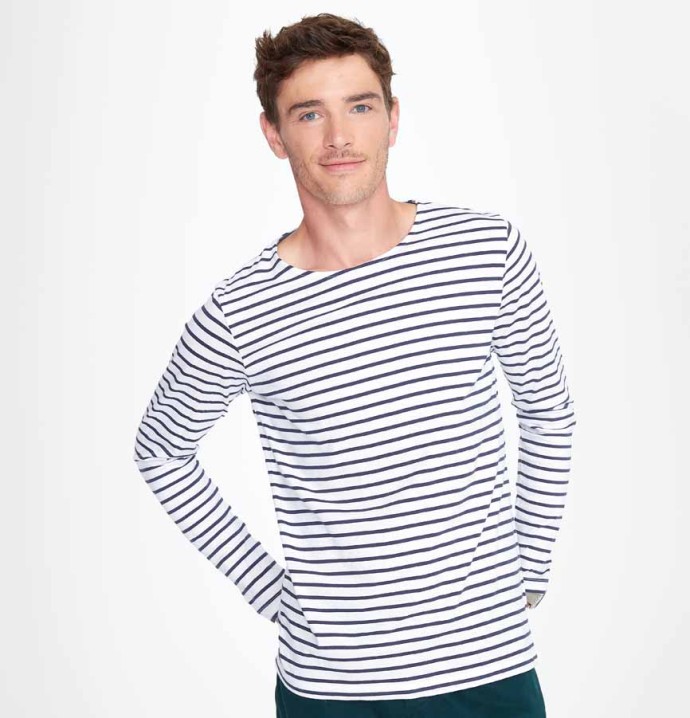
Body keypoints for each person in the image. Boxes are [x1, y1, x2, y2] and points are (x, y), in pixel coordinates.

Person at [132, 12, 576, 718]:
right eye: (310, 114)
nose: (339, 137)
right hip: (332, 690)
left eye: (360, 107)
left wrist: (528, 569)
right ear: (274, 135)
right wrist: (274, 593)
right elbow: (160, 450)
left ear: (393, 119)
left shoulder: (486, 252)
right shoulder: (240, 310)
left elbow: (548, 412)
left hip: (488, 673)